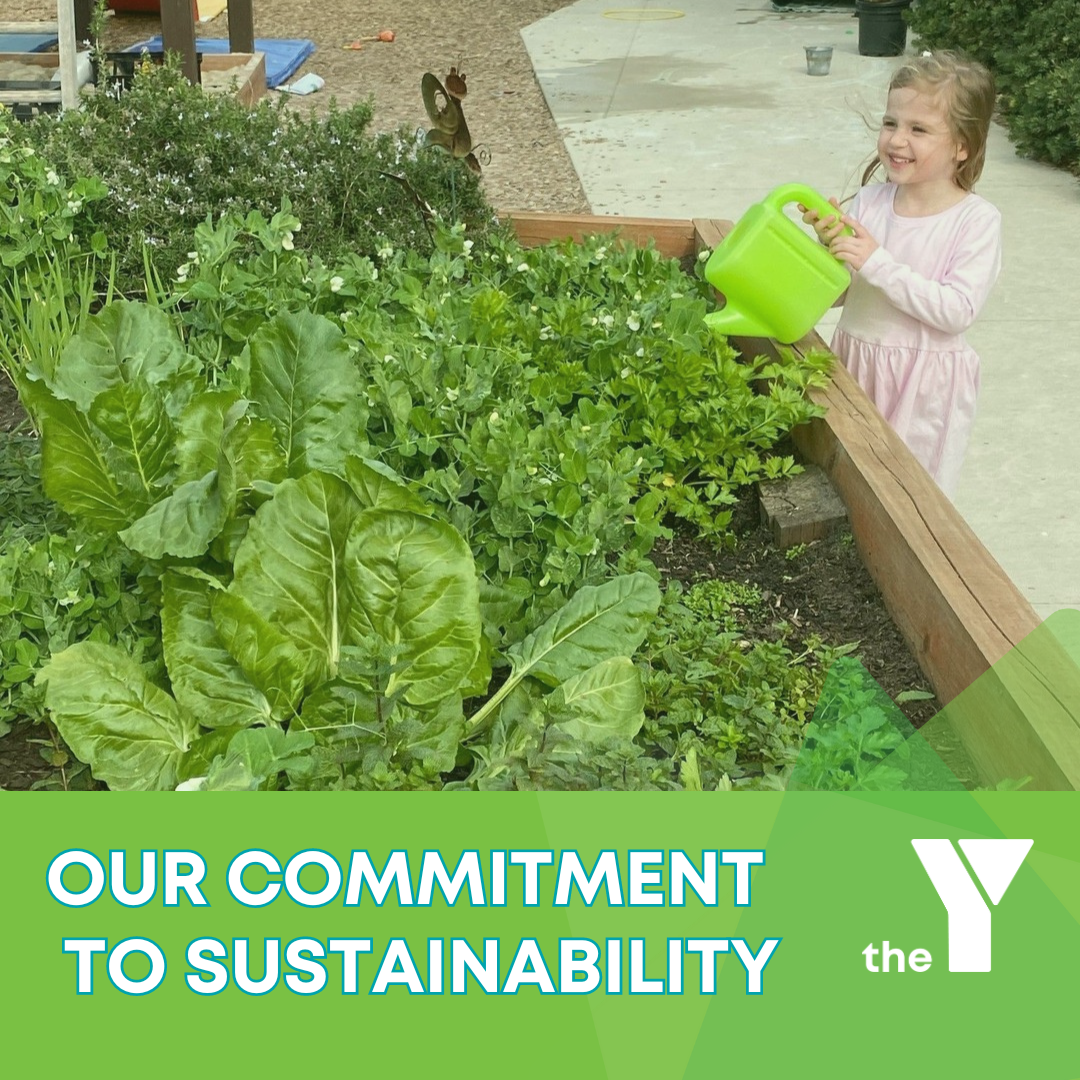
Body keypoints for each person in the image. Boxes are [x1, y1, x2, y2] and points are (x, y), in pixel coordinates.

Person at [800, 51, 1002, 498]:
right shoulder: (871, 202)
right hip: (856, 365)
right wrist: (829, 250)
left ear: (962, 145)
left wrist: (876, 261)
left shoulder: (975, 221)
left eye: (919, 129)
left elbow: (957, 311)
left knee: (910, 498)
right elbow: (843, 294)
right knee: (845, 484)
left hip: (924, 385)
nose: (896, 140)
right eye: (891, 123)